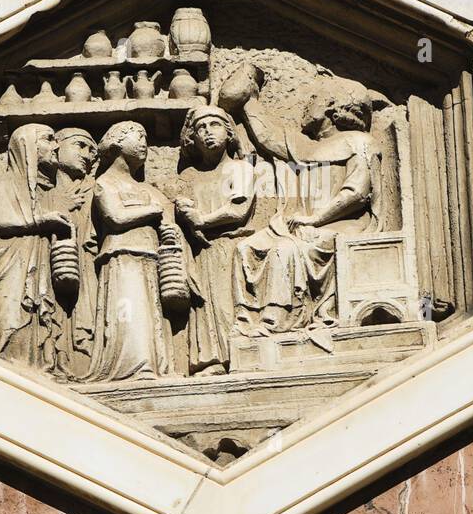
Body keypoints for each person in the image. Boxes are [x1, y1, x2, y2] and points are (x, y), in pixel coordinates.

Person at [219, 65, 383, 335]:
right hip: (299, 226)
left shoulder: (359, 142)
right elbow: (268, 136)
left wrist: (315, 220)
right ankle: (246, 322)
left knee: (286, 250)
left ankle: (279, 321)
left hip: (341, 227)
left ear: (332, 107)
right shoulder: (308, 146)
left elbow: (356, 193)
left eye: (313, 101)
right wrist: (249, 97)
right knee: (246, 248)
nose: (306, 107)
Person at [173, 105, 269, 373]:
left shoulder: (239, 169)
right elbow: (184, 210)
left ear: (228, 133)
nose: (207, 133)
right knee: (203, 304)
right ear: (193, 137)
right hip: (200, 250)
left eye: (214, 125)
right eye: (201, 128)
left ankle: (237, 357)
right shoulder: (189, 175)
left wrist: (201, 219)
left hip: (230, 246)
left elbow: (238, 211)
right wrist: (184, 212)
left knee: (227, 303)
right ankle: (211, 359)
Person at [84, 121, 178, 382]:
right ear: (116, 142)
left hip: (151, 256)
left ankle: (155, 365)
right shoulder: (105, 184)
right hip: (121, 255)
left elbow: (167, 221)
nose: (143, 142)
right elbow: (115, 216)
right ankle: (134, 367)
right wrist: (152, 210)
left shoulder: (147, 189)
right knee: (130, 309)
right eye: (137, 136)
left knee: (150, 315)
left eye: (145, 136)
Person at [0, 124, 74, 368]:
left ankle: (39, 367)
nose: (56, 146)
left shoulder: (47, 191)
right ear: (27, 147)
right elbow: (1, 221)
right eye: (48, 139)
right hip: (10, 268)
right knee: (9, 318)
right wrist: (42, 220)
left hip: (38, 267)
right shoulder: (7, 182)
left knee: (39, 319)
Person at [42, 127, 99, 378]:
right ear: (57, 146)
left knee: (84, 311)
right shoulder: (43, 190)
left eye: (91, 151)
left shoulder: (93, 188)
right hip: (49, 260)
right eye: (80, 146)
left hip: (87, 262)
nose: (86, 154)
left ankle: (81, 361)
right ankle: (57, 358)